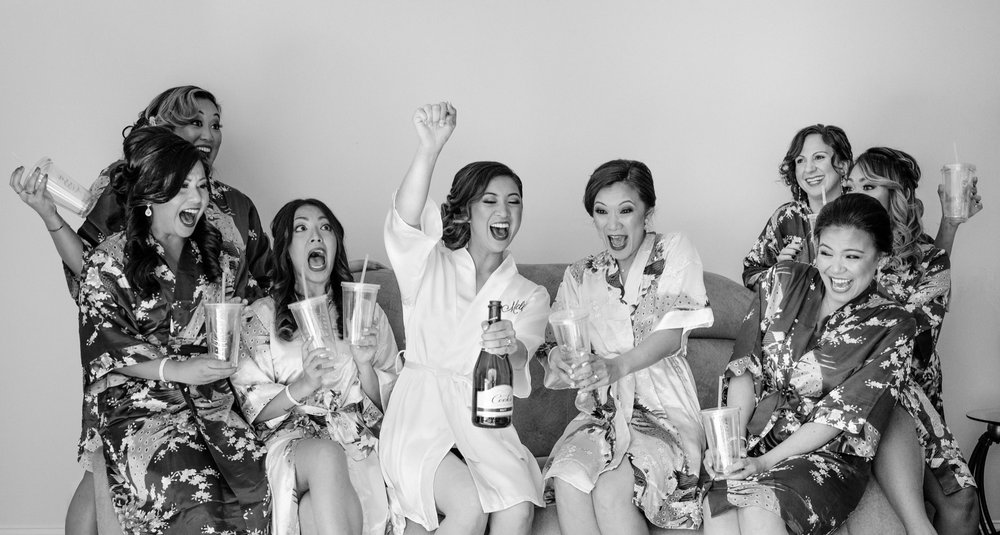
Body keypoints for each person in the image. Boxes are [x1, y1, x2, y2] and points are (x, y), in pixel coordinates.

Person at [9, 85, 272, 535]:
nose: (208, 133)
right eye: (195, 122)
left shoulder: (229, 223)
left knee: (252, 489)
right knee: (152, 490)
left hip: (211, 395)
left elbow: (256, 294)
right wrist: (51, 218)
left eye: (215, 124)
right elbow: (97, 290)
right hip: (140, 395)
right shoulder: (117, 226)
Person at [76, 126, 270, 532]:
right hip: (141, 406)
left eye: (201, 186)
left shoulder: (218, 254)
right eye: (182, 187)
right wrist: (176, 369)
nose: (196, 199)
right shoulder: (109, 261)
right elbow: (107, 343)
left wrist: (247, 315)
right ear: (150, 194)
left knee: (256, 488)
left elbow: (255, 310)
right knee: (191, 496)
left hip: (214, 403)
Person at [379, 102, 550, 535]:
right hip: (421, 416)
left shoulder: (530, 294)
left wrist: (512, 347)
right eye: (489, 201)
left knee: (518, 508)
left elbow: (524, 357)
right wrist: (429, 149)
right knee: (470, 508)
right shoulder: (429, 265)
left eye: (514, 202)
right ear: (467, 211)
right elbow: (404, 223)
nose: (503, 212)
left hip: (483, 425)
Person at [704, 194, 915, 535]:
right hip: (757, 438)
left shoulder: (893, 325)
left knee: (758, 505)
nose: (836, 268)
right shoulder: (782, 280)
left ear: (881, 258)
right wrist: (732, 449)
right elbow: (744, 368)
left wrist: (763, 463)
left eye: (852, 256)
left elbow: (837, 417)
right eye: (827, 253)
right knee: (718, 506)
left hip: (825, 454)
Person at [541, 160, 714, 534]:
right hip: (603, 415)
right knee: (568, 481)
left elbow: (672, 334)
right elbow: (554, 341)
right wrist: (560, 358)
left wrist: (616, 367)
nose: (613, 225)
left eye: (626, 210)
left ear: (647, 213)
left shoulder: (673, 250)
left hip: (662, 412)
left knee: (609, 491)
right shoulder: (580, 274)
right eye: (601, 212)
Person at [232, 198, 402, 535]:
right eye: (301, 228)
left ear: (335, 244)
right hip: (293, 444)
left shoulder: (364, 314)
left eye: (325, 227)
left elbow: (395, 403)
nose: (316, 235)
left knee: (312, 512)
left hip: (357, 441)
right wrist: (303, 386)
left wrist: (365, 367)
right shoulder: (261, 316)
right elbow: (252, 409)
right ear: (286, 249)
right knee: (326, 455)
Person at [845, 147, 978, 535]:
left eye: (869, 186)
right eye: (851, 186)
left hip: (914, 393)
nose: (855, 194)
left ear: (897, 194)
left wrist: (950, 224)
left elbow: (918, 342)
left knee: (963, 501)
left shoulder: (930, 259)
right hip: (862, 394)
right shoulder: (839, 254)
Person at [741, 124, 981, 290]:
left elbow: (924, 261)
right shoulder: (787, 217)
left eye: (819, 157)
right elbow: (752, 274)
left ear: (844, 166)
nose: (808, 169)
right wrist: (781, 272)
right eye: (800, 160)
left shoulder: (869, 211)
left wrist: (950, 224)